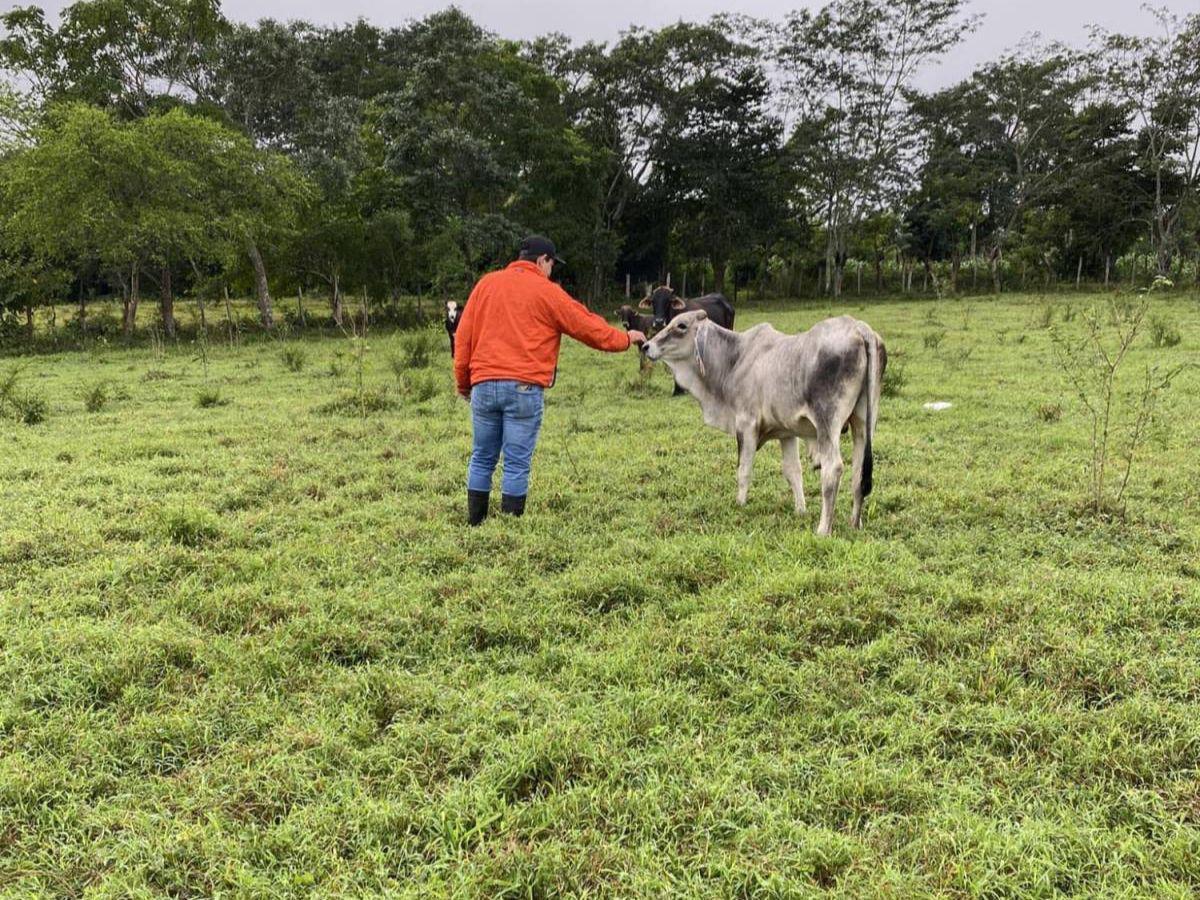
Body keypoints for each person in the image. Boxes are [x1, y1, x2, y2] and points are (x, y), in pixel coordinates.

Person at [453, 235, 646, 525]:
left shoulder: (486, 284)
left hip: (484, 384)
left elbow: (463, 338)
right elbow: (587, 326)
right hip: (524, 386)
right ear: (543, 260)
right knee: (516, 463)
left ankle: (474, 523)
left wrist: (463, 383)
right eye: (552, 264)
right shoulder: (547, 291)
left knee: (482, 456)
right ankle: (509, 530)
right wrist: (624, 338)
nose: (551, 270)